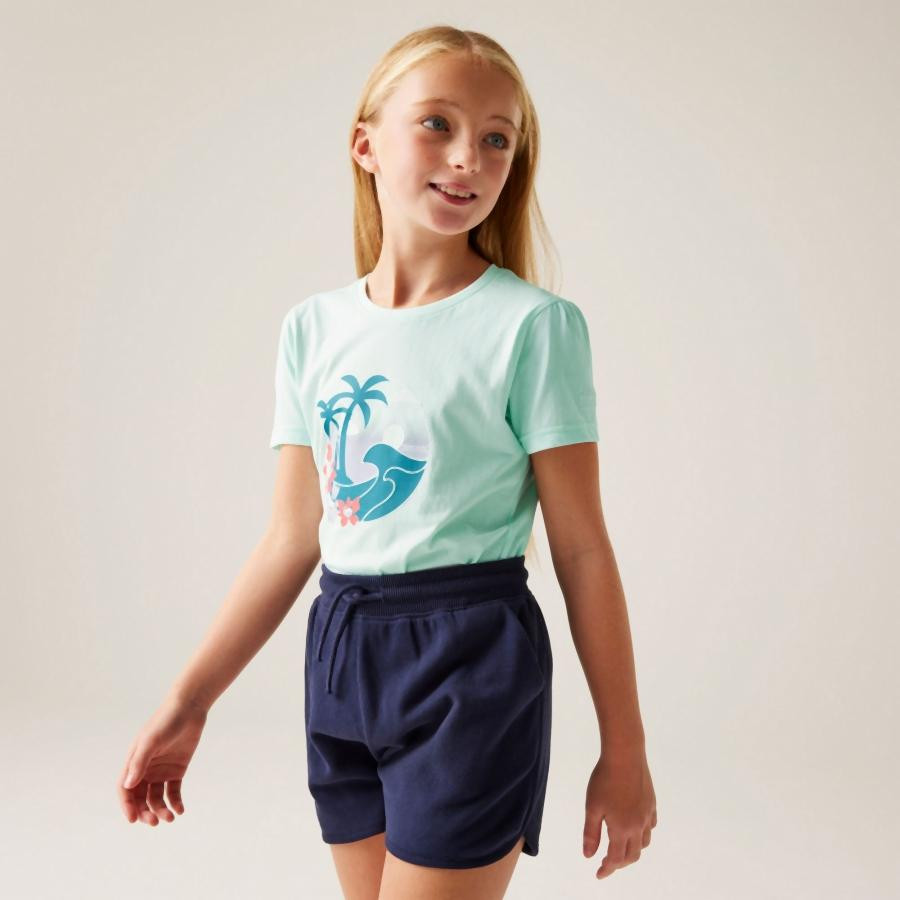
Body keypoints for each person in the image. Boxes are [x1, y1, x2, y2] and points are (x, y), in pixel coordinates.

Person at [117, 24, 656, 899]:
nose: (468, 157)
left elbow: (583, 547)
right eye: (437, 124)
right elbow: (291, 538)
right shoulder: (313, 329)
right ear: (365, 145)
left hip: (470, 662)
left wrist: (624, 749)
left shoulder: (532, 328)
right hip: (341, 654)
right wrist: (188, 702)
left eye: (497, 139)